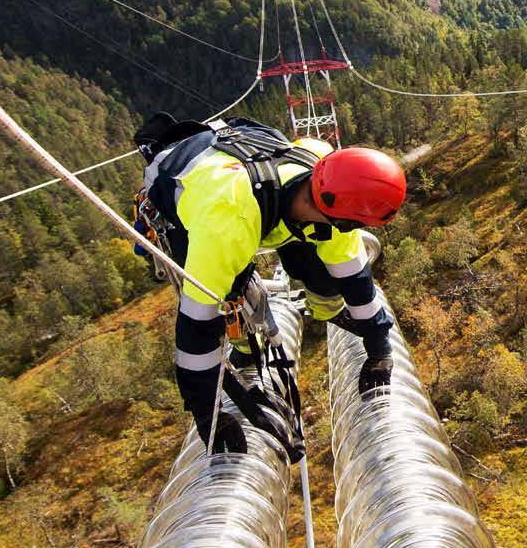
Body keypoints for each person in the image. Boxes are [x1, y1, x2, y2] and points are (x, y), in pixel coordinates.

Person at [133, 115, 407, 454]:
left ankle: (317, 312)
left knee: (319, 267)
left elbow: (355, 279)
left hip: (252, 171)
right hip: (194, 186)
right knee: (229, 293)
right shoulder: (228, 220)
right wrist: (207, 414)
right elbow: (195, 328)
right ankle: (247, 353)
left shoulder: (325, 177)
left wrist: (380, 348)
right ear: (348, 220)